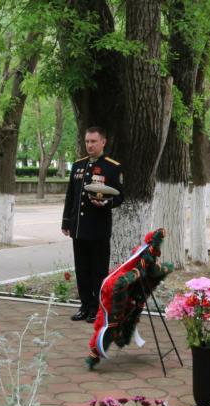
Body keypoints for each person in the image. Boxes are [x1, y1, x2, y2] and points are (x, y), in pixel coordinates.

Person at [61, 126, 123, 323]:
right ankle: (84, 306)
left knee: (98, 271)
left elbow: (120, 196)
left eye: (93, 141)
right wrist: (66, 221)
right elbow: (71, 195)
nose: (90, 145)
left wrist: (106, 202)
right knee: (82, 270)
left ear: (103, 142)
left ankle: (97, 308)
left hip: (98, 229)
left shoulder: (112, 167)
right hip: (79, 228)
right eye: (87, 141)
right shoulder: (78, 165)